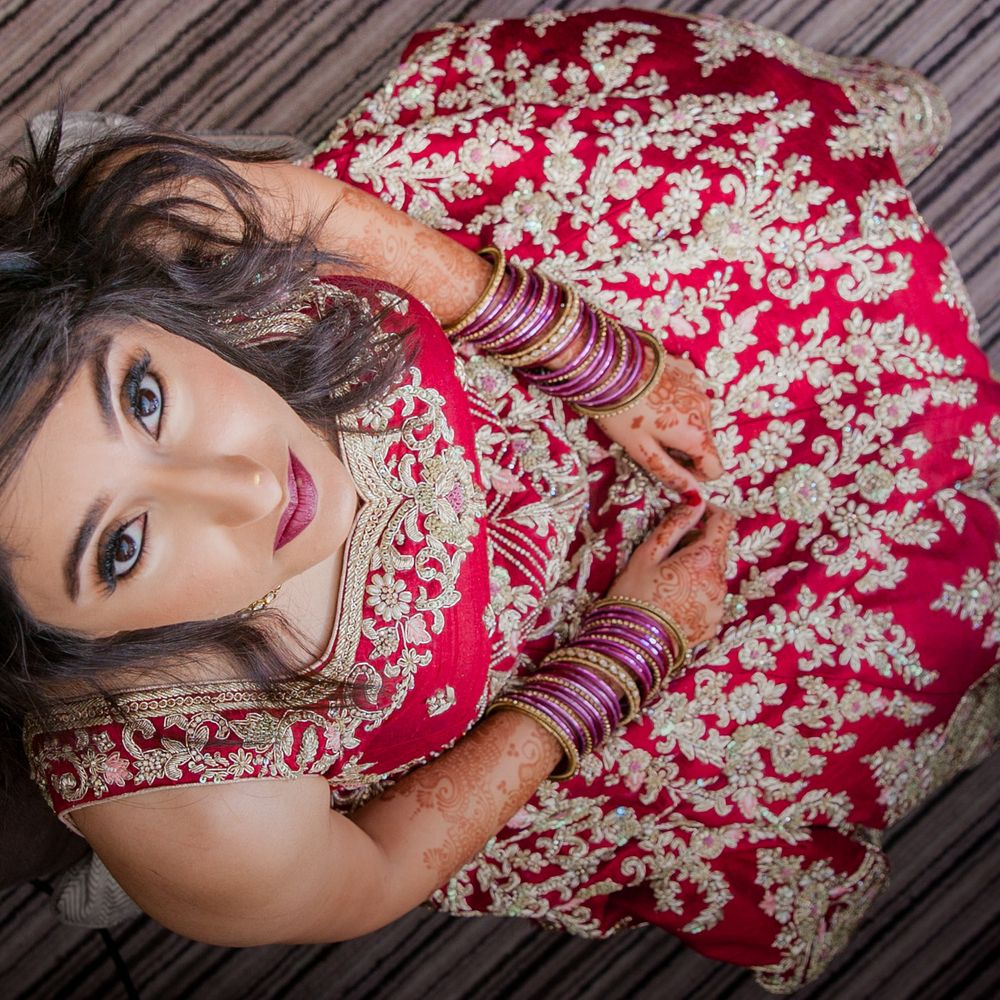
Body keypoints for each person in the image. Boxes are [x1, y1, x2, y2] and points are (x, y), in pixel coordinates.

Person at [1, 7, 997, 994]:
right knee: (907, 616)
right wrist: (620, 661)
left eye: (144, 397)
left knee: (782, 198)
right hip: (559, 669)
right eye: (122, 546)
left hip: (515, 339)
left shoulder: (161, 225)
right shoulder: (196, 809)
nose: (251, 485)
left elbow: (319, 215)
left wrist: (585, 352)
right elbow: (372, 873)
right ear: (43, 642)